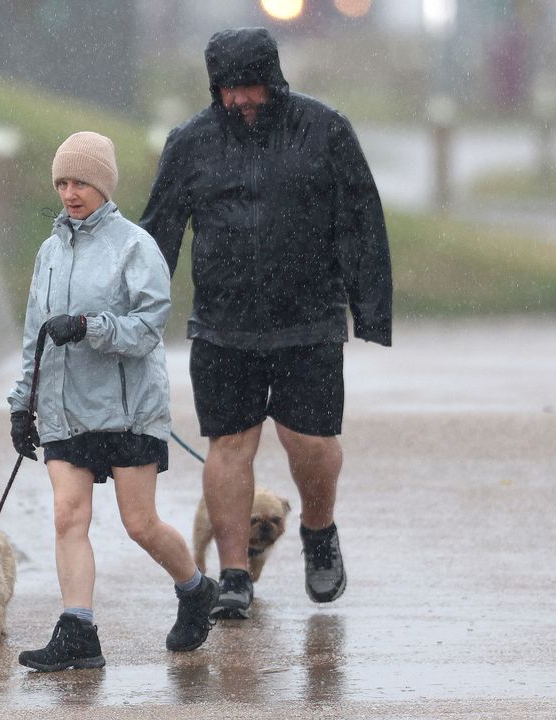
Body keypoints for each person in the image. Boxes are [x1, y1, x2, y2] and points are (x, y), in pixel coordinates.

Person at [140, 28, 392, 620]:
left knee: (310, 440)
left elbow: (361, 218)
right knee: (229, 444)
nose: (240, 100)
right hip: (223, 323)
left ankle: (319, 529)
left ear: (272, 81)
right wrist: (135, 315)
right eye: (229, 90)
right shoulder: (190, 143)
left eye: (249, 87)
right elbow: (158, 234)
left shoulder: (325, 129)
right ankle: (233, 575)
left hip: (309, 320)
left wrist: (371, 308)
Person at [9, 131, 218, 671]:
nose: (70, 192)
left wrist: (87, 326)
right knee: (66, 516)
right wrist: (20, 405)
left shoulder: (135, 246)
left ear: (103, 183)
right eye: (61, 182)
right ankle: (78, 631)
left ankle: (195, 589)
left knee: (140, 523)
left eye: (80, 181)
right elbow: (34, 332)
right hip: (63, 408)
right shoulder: (48, 252)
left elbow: (148, 329)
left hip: (128, 409)